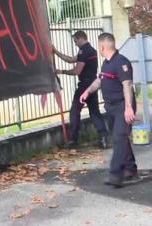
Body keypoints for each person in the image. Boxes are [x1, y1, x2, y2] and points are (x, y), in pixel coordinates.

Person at [80, 32, 138, 187]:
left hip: (122, 106)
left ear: (102, 46)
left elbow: (127, 85)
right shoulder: (106, 63)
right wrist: (87, 91)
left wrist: (128, 108)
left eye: (99, 46)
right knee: (120, 137)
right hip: (111, 107)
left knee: (119, 138)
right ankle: (130, 168)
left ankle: (115, 175)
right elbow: (100, 80)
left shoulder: (121, 62)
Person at [53, 30, 108, 149]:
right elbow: (71, 59)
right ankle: (104, 137)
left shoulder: (84, 51)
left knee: (74, 112)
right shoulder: (91, 50)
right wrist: (56, 51)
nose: (75, 43)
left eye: (75, 41)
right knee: (94, 112)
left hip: (84, 86)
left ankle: (73, 140)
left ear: (81, 38)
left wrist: (61, 71)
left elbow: (77, 70)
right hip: (93, 84)